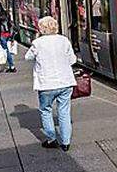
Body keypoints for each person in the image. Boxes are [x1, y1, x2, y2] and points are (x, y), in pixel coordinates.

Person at [26, 16, 78, 151]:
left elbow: (28, 57)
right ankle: (66, 142)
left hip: (46, 83)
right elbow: (72, 60)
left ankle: (51, 139)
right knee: (64, 111)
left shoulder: (38, 43)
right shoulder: (64, 40)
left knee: (46, 110)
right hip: (65, 82)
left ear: (41, 29)